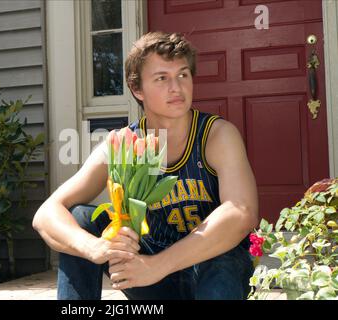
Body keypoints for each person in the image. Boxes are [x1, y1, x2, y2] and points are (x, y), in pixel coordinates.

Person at [33, 31, 259, 300]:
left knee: (225, 258)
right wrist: (94, 247)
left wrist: (157, 266)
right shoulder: (124, 144)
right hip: (151, 277)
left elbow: (242, 212)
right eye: (162, 78)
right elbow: (46, 214)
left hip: (211, 270)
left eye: (183, 75)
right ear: (137, 89)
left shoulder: (216, 135)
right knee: (81, 217)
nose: (176, 87)